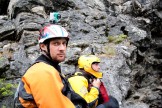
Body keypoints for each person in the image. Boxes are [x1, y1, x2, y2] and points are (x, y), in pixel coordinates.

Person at [14, 24, 75, 108]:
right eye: (56, 44)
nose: (62, 48)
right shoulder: (43, 71)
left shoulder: (49, 68)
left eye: (64, 43)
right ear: (43, 46)